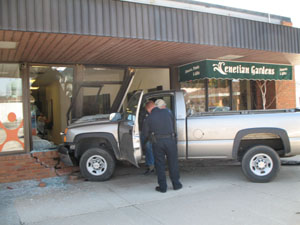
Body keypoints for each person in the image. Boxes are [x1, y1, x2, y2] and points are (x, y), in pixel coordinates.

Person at [142, 101, 182, 193]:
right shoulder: (167, 112)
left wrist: (152, 138)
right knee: (173, 163)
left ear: (148, 109)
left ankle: (163, 187)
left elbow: (145, 133)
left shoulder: (149, 118)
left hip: (158, 142)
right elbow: (173, 125)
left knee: (160, 165)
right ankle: (176, 184)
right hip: (171, 140)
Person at [141, 103, 155, 175]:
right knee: (147, 150)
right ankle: (149, 164)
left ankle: (151, 167)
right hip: (146, 134)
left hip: (151, 135)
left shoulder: (155, 114)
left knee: (149, 149)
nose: (148, 111)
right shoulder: (146, 114)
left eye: (149, 109)